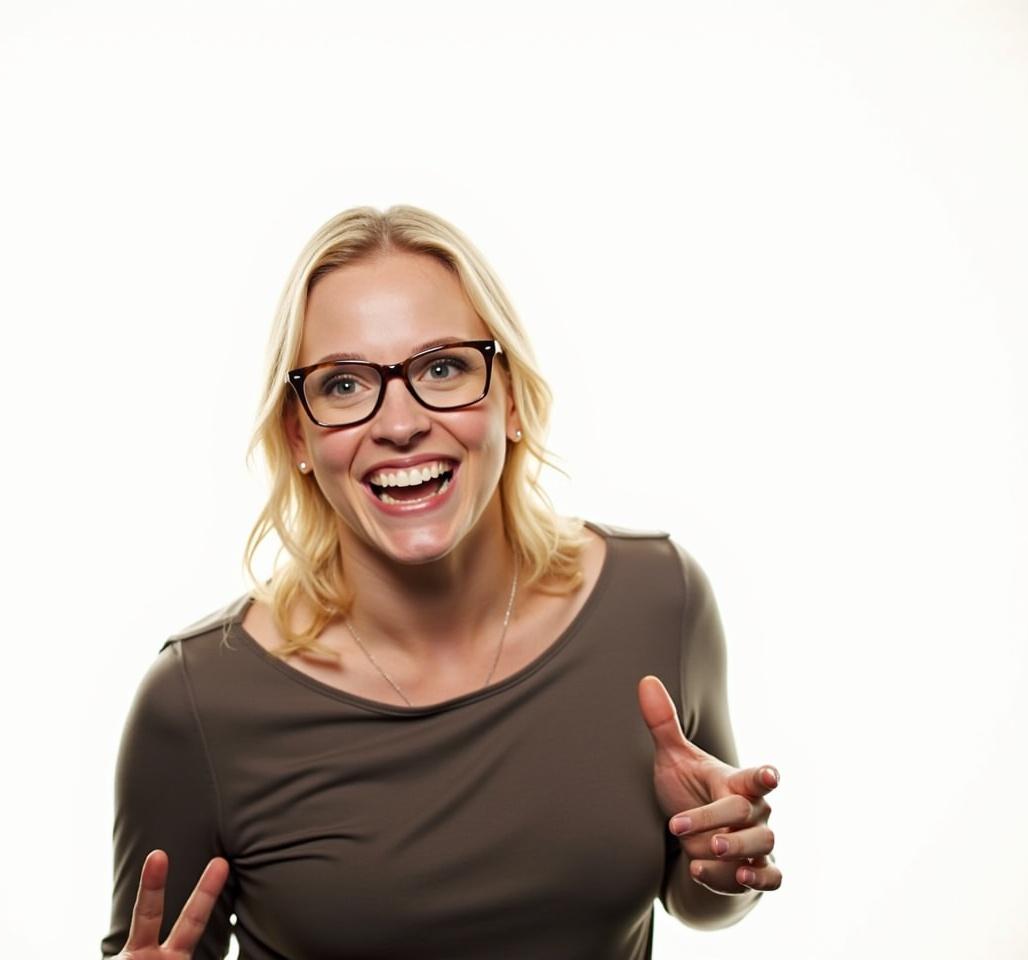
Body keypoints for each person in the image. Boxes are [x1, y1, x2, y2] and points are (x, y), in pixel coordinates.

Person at [100, 205, 782, 960]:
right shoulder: (199, 700)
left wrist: (724, 868)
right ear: (298, 434)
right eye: (345, 385)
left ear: (512, 398)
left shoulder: (657, 599)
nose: (399, 424)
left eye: (443, 368)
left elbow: (702, 890)